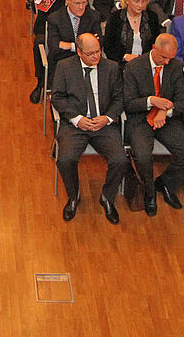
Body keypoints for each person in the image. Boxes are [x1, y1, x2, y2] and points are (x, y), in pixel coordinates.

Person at [51, 33, 127, 224]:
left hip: (103, 125)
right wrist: (77, 119)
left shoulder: (111, 67)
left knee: (120, 160)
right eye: (91, 53)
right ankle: (73, 196)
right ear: (79, 52)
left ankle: (107, 198)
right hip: (76, 125)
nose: (96, 57)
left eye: (98, 52)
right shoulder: (65, 67)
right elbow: (57, 97)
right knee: (65, 159)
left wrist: (108, 118)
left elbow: (120, 98)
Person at [122, 33, 184, 214]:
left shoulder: (175, 66)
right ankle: (149, 193)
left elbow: (183, 102)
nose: (166, 62)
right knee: (143, 156)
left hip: (167, 120)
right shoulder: (134, 67)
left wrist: (165, 111)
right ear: (154, 49)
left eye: (170, 58)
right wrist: (152, 101)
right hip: (141, 120)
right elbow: (129, 103)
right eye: (163, 57)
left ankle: (165, 184)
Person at [37, 0, 100, 102]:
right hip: (61, 63)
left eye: (84, 3)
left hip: (87, 63)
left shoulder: (93, 17)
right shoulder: (54, 18)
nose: (81, 7)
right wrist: (83, 46)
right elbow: (55, 48)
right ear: (67, 1)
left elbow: (98, 43)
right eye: (77, 3)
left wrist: (68, 45)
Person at [103, 0, 160, 64]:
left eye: (143, 1)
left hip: (146, 65)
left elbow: (156, 45)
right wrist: (125, 56)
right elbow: (108, 48)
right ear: (127, 0)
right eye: (136, 1)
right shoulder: (115, 19)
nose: (140, 5)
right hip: (121, 65)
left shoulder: (152, 18)